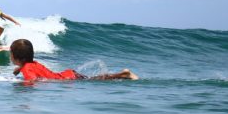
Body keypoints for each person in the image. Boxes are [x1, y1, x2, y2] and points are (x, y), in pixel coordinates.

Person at [9, 38, 139, 81]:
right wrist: (19, 69)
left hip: (67, 80)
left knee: (96, 80)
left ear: (15, 56)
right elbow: (29, 67)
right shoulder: (31, 64)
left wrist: (23, 86)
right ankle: (123, 75)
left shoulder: (27, 69)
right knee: (93, 79)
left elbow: (33, 80)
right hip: (68, 74)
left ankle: (123, 74)